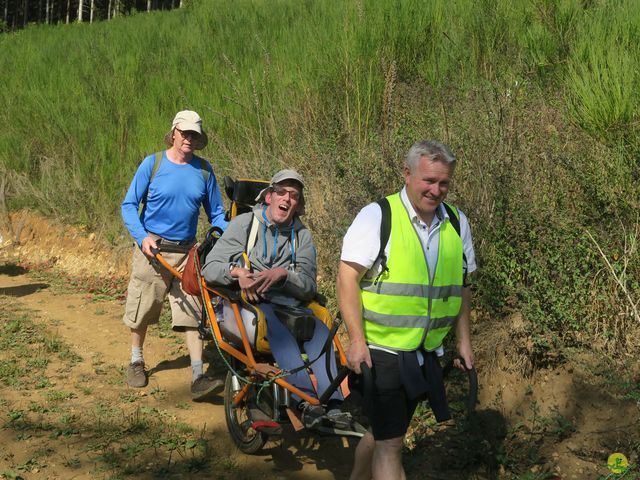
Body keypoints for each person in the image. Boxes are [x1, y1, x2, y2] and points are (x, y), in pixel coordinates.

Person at [336, 140, 477, 479]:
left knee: (384, 432)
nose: (436, 190)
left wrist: (464, 340)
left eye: (444, 182)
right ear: (407, 174)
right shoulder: (377, 217)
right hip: (382, 350)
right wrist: (356, 340)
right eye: (428, 180)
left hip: (425, 352)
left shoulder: (457, 223)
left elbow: (461, 287)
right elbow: (346, 279)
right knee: (392, 444)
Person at [202, 169, 349, 428]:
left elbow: (307, 287)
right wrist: (238, 274)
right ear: (269, 196)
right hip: (253, 303)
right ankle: (303, 402)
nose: (287, 198)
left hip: (292, 304)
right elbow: (210, 268)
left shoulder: (302, 236)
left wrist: (284, 275)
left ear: (298, 204)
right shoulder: (244, 224)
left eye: (294, 195)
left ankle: (333, 404)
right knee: (279, 333)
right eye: (281, 192)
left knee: (320, 332)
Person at [121, 110, 228, 400]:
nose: (189, 139)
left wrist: (226, 233)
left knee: (193, 313)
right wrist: (142, 238)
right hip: (152, 252)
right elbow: (129, 205)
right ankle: (136, 360)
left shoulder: (204, 171)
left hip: (187, 252)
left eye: (194, 135)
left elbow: (217, 213)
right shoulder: (152, 164)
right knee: (143, 307)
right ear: (174, 133)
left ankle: (197, 376)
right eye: (185, 133)